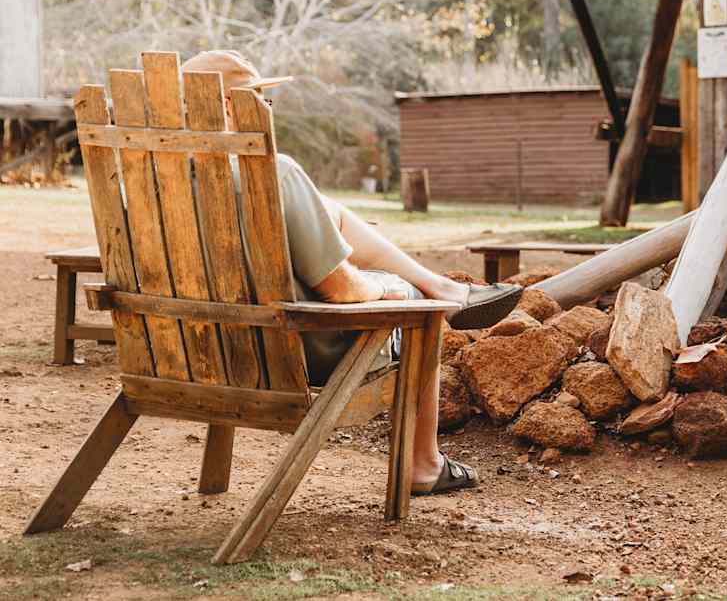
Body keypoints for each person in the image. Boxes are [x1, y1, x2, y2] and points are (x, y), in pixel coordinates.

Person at [181, 50, 522, 494]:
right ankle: (423, 463)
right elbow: (341, 292)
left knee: (332, 212)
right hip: (292, 355)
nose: (268, 109)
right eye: (262, 99)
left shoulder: (145, 178)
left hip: (196, 354)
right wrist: (393, 290)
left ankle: (438, 284)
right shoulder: (272, 174)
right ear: (228, 105)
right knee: (423, 309)